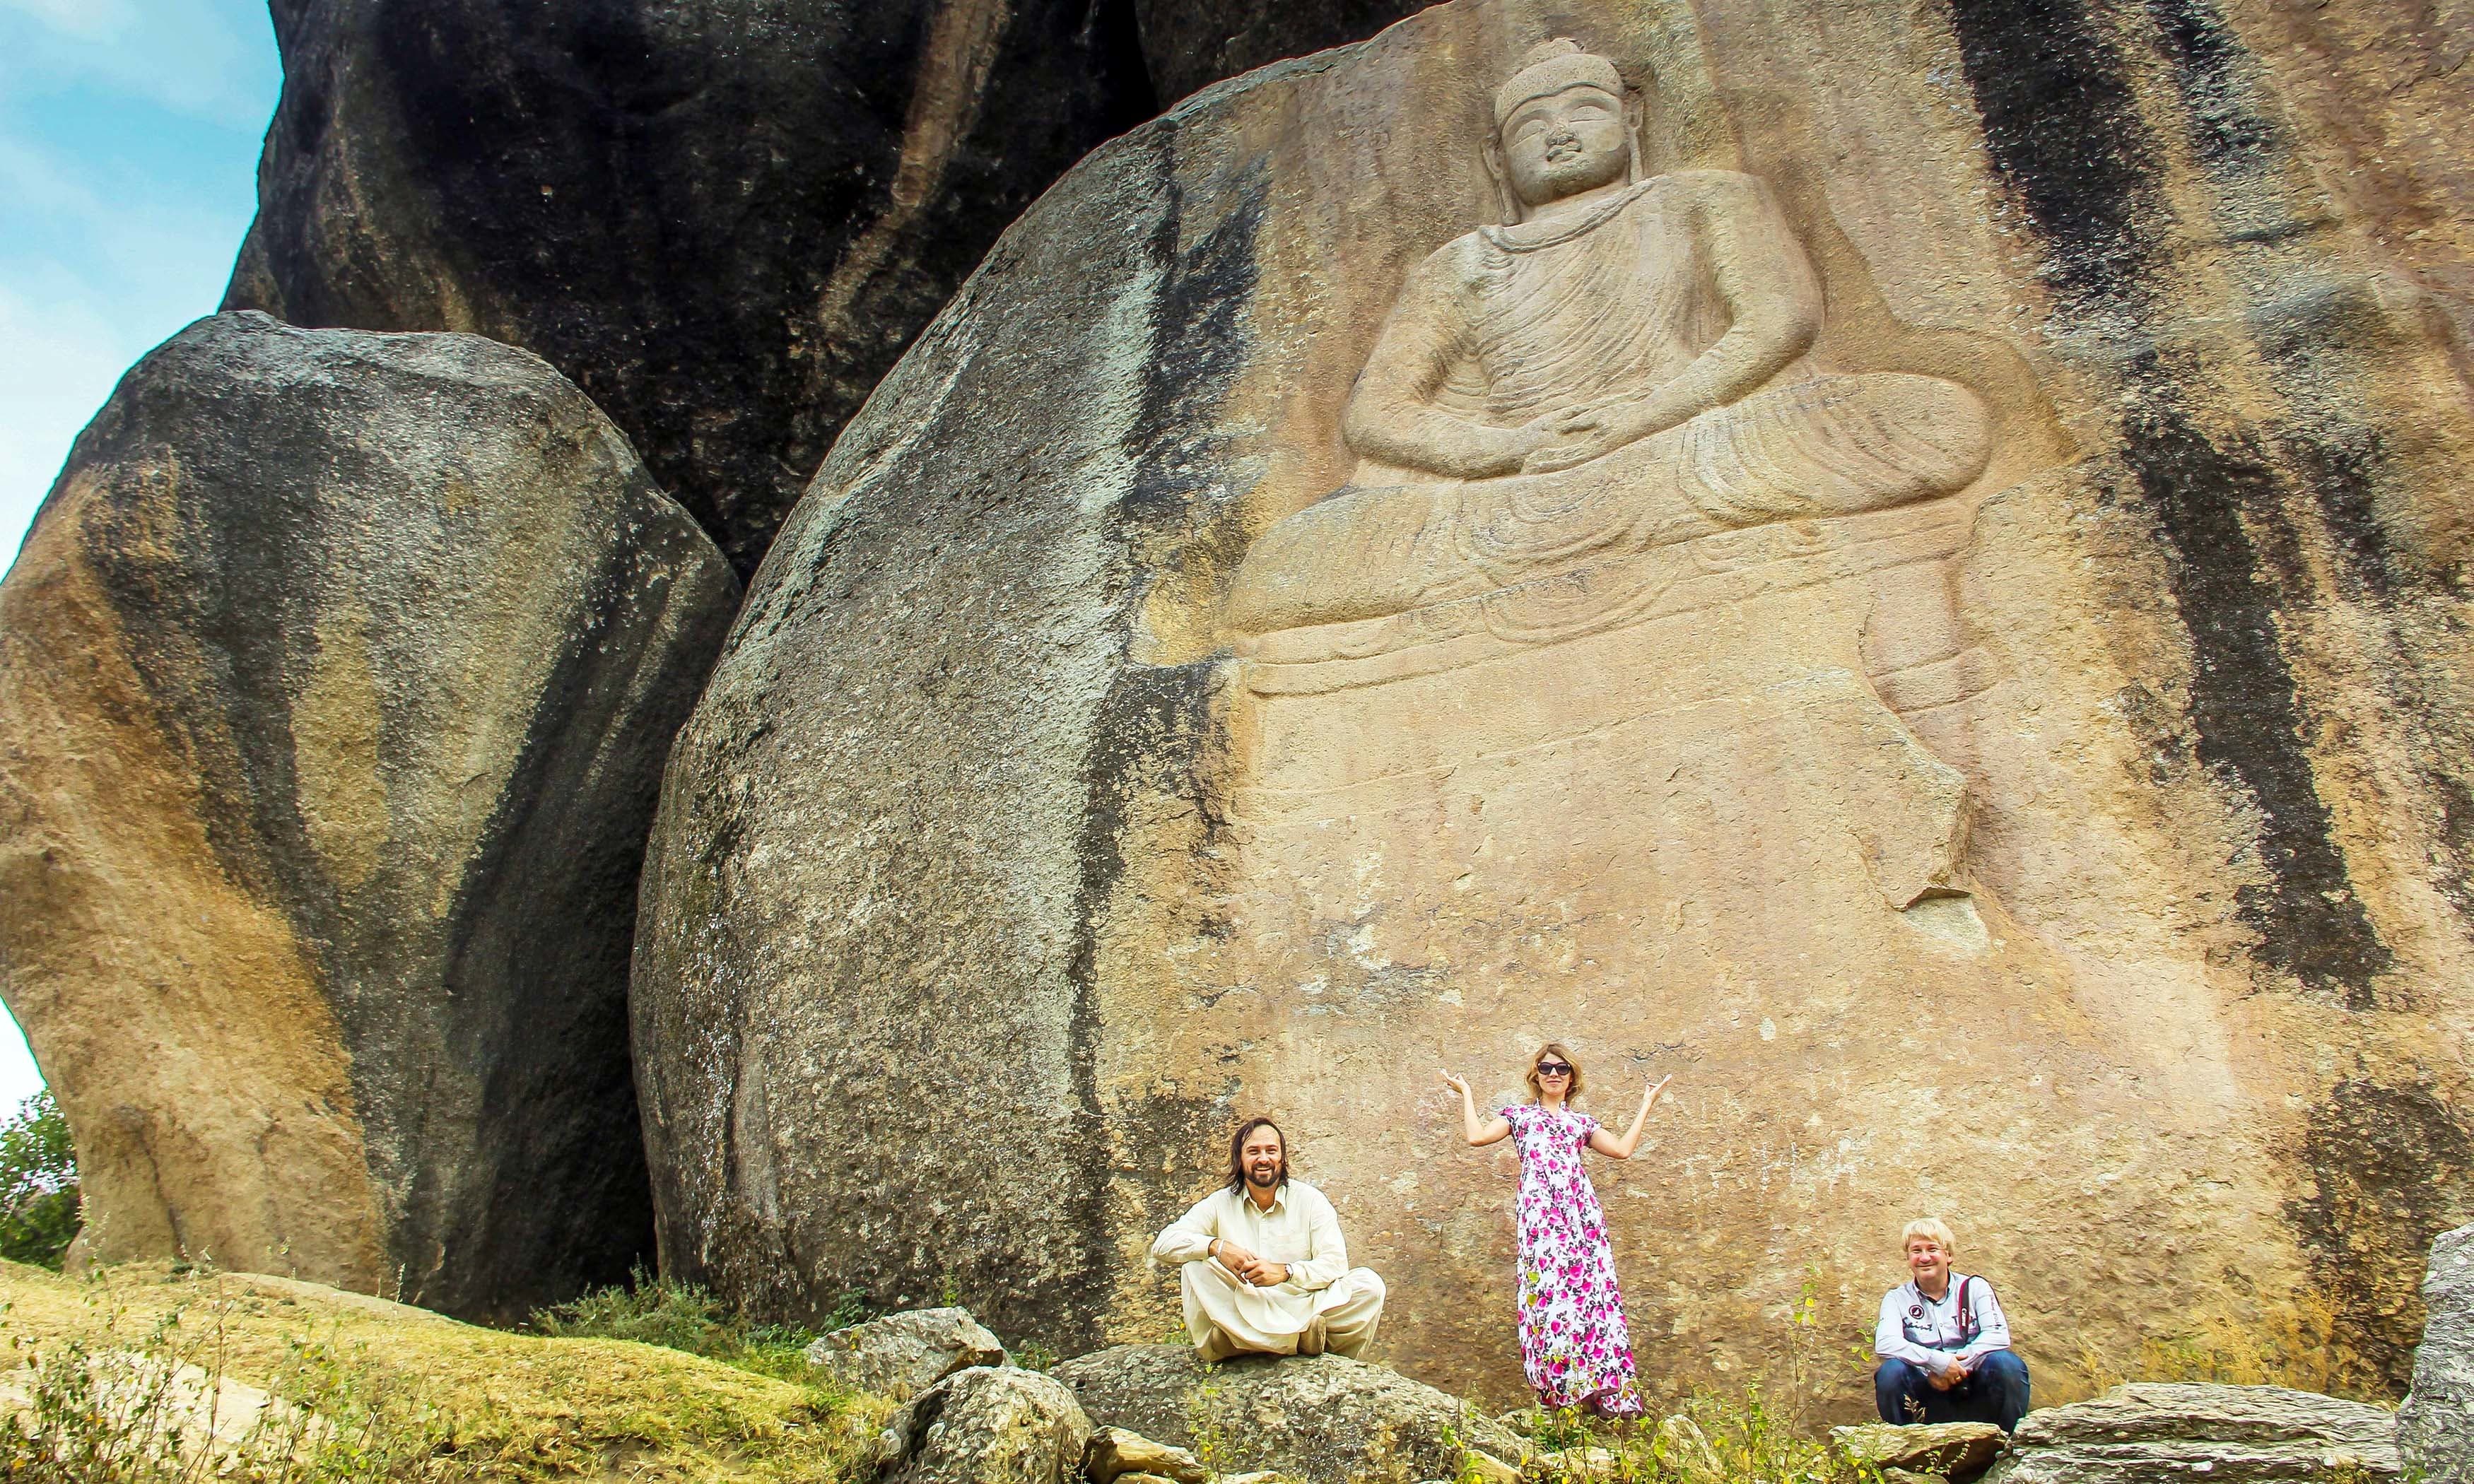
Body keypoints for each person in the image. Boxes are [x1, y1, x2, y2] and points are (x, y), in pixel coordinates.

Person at [1224, 37, 1991, 637]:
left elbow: (1777, 321)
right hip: (1515, 483)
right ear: (1496, 157)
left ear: (1632, 120)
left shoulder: (1705, 199)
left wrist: (1640, 416)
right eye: (1531, 125)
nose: (1557, 135)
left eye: (1583, 111)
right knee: (1284, 570)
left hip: (1683, 442)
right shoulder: (1457, 264)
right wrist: (1509, 448)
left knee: (1929, 422)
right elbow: (1378, 415)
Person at [1443, 1045, 1670, 1416]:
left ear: (1571, 1077)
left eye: (1561, 1068)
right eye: (1546, 1068)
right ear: (1536, 1075)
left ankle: (1599, 1389)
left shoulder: (1581, 1124)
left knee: (1589, 1296)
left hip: (1580, 1218)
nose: (1554, 1074)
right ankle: (1560, 1391)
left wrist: (1647, 1103)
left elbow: (1623, 1149)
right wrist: (1467, 1094)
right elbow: (1477, 1137)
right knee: (1549, 1298)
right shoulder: (1518, 1117)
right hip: (1540, 1218)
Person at [1149, 1117, 1388, 1361]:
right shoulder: (1220, 1203)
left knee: (1369, 1286)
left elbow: (1335, 1265)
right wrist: (1217, 1247)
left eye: (1271, 1151)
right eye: (1253, 1151)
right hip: (1244, 1306)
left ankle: (1245, 1342)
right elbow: (1164, 1243)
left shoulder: (1311, 1201)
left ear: (1283, 1158)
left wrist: (1285, 1272)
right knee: (1194, 1265)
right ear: (1239, 1160)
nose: (1263, 1158)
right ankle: (1298, 1341)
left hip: (1303, 1307)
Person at [1872, 1218, 2032, 1430]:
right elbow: (1885, 1343)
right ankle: (1903, 1451)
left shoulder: (1976, 1288)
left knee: (2007, 1364)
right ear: (1908, 1258)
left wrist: (1957, 1367)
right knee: (1891, 1373)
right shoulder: (1896, 1299)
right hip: (1926, 1397)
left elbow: (1998, 1335)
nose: (1925, 1257)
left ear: (1949, 1255)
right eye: (1916, 1251)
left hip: (1977, 1390)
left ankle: (2009, 1447)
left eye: (1932, 1249)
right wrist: (1936, 1363)